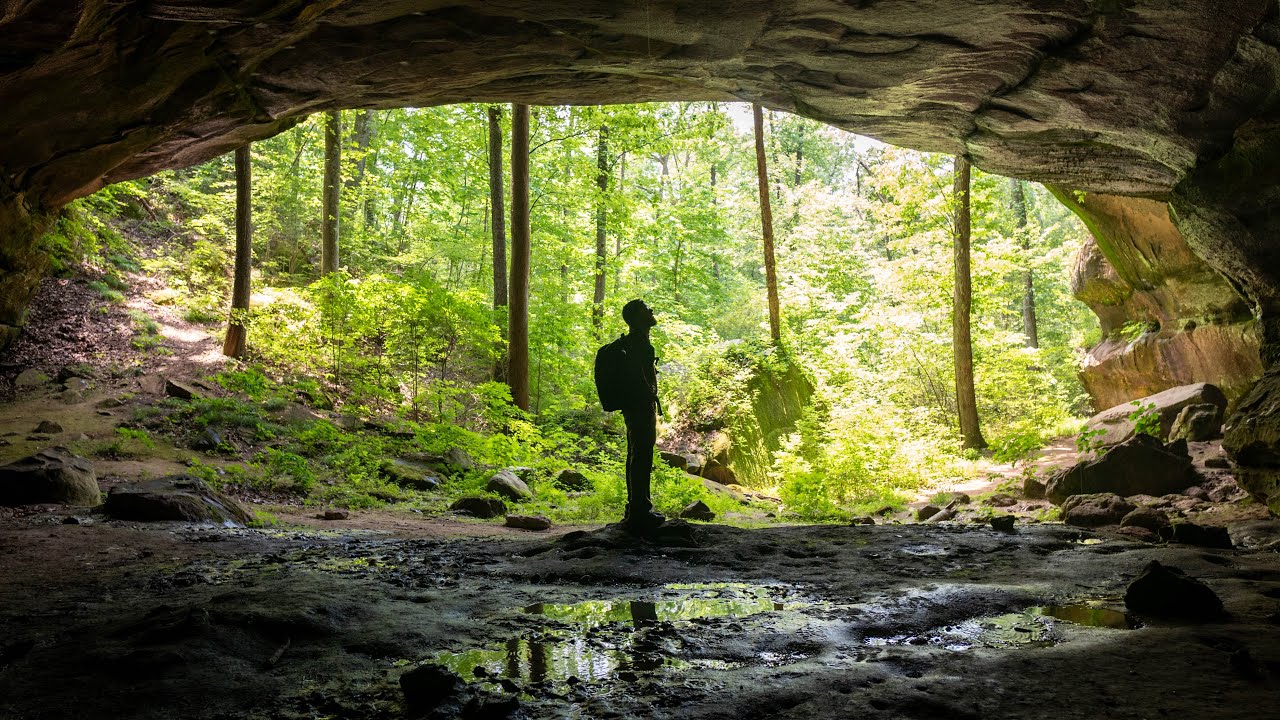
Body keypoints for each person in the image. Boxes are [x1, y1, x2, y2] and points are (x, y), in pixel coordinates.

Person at [619, 299, 665, 531]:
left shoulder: (632, 342)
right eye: (647, 309)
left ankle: (636, 508)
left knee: (636, 454)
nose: (652, 311)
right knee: (641, 456)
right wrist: (648, 400)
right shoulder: (640, 344)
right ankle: (640, 512)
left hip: (633, 406)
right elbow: (641, 380)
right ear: (638, 317)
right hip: (639, 406)